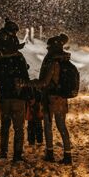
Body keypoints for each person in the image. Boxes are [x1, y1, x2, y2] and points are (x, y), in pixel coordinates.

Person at [18, 33, 73, 165]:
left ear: (53, 47)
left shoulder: (53, 61)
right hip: (61, 98)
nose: (47, 50)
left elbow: (44, 82)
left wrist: (27, 83)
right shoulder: (64, 59)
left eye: (48, 47)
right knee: (62, 127)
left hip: (50, 98)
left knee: (48, 126)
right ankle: (68, 155)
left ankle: (50, 153)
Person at [0, 38, 31, 162]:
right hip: (18, 97)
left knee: (5, 126)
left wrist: (3, 75)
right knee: (19, 127)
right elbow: (25, 78)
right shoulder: (20, 60)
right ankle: (17, 155)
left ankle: (3, 152)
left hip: (4, 97)